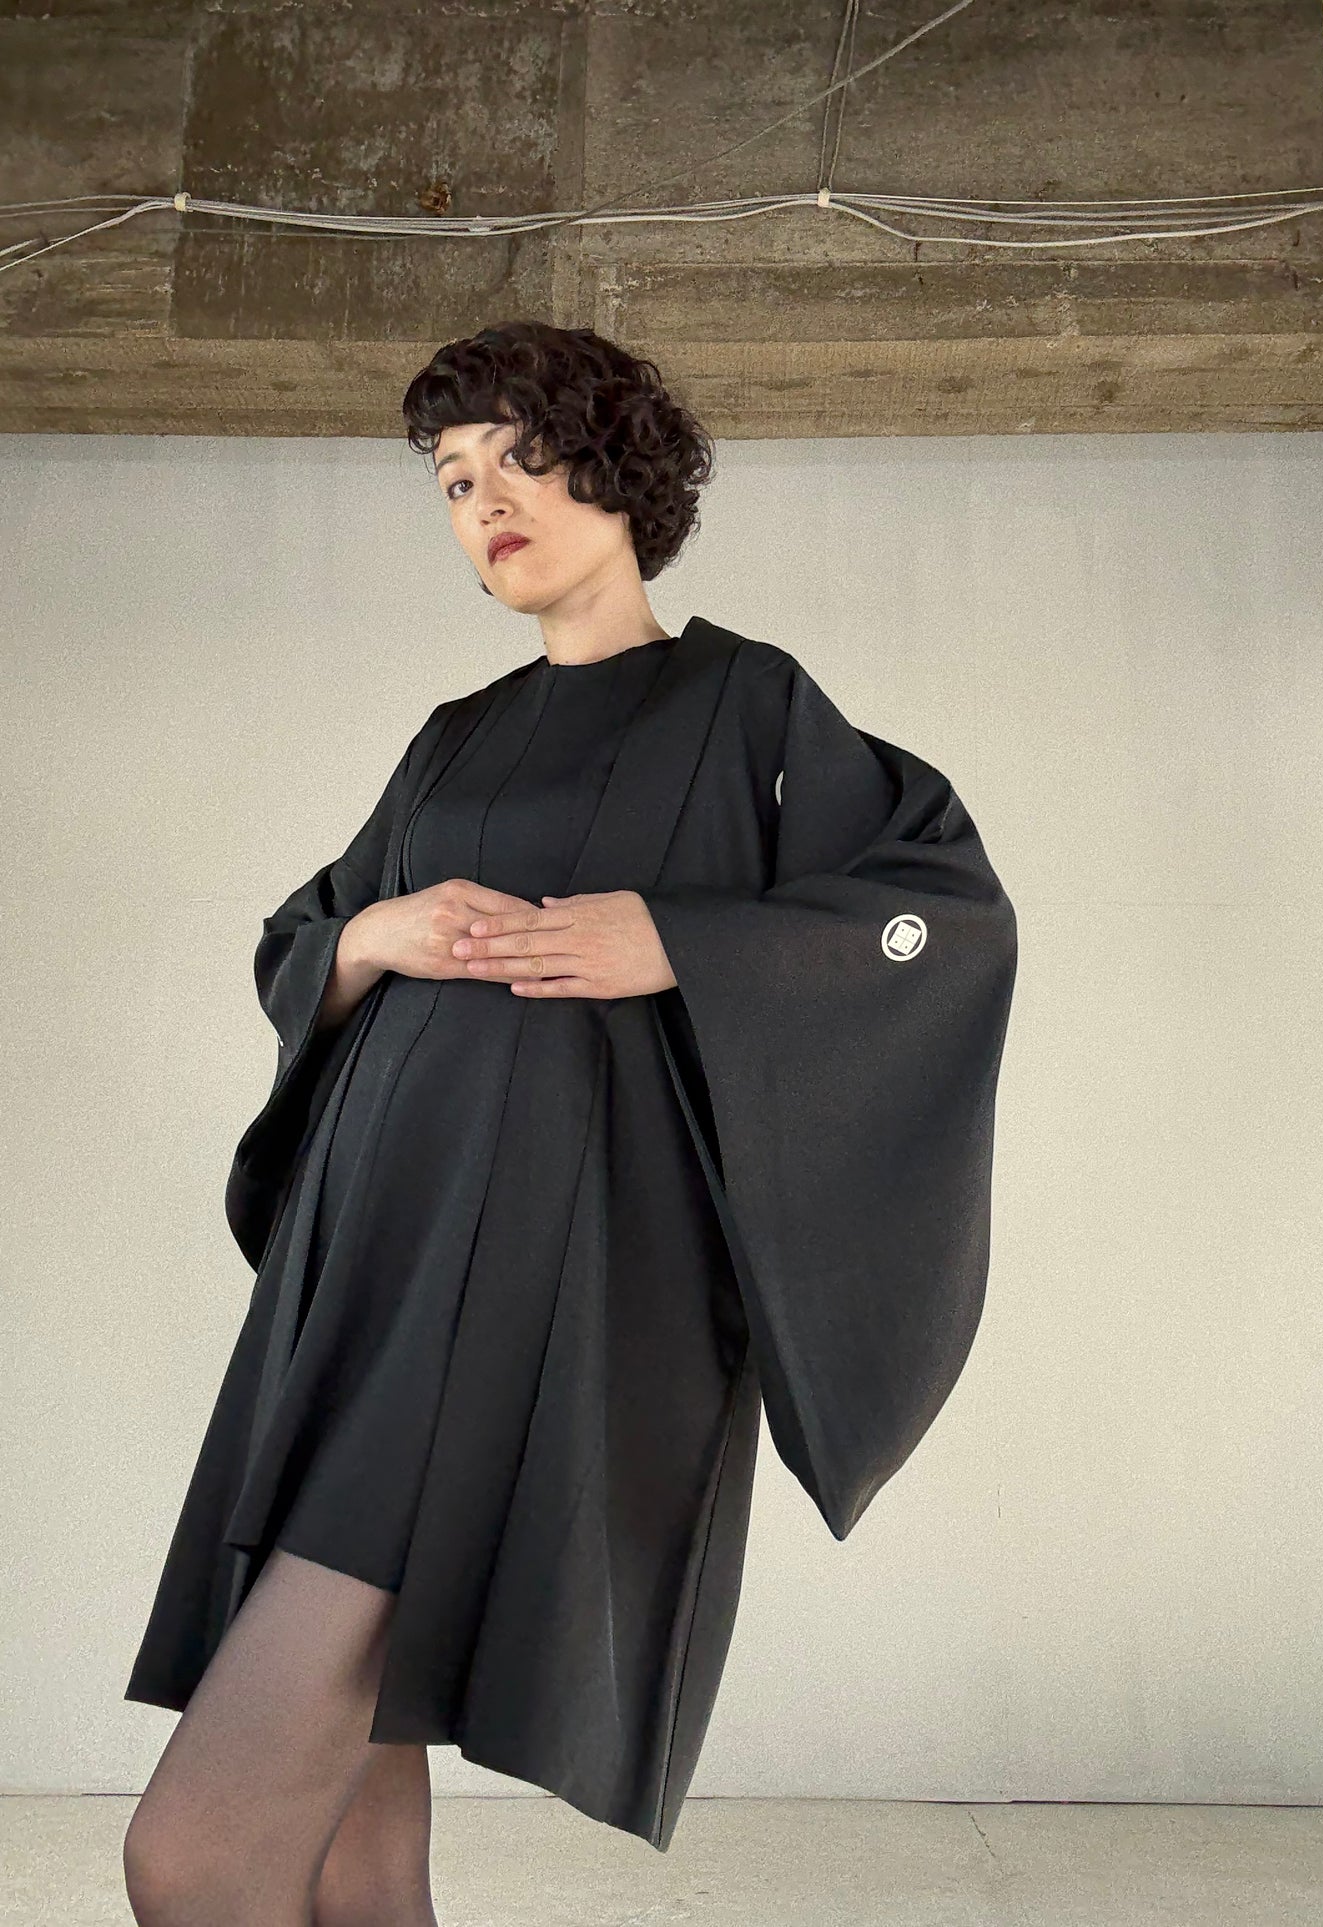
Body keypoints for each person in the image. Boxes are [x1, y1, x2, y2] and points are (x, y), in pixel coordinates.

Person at [122, 322, 1018, 1923]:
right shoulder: (455, 734)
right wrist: (372, 937)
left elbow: (935, 918)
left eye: (517, 456)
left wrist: (680, 938)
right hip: (363, 1272)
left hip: (529, 1279)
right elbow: (304, 933)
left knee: (191, 1859)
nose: (484, 501)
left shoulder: (744, 703)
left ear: (613, 463)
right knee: (355, 1856)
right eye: (452, 481)